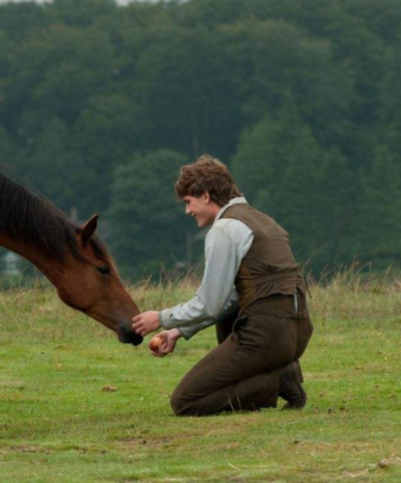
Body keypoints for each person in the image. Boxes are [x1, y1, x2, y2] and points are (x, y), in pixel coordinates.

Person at [132, 155, 313, 417]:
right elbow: (233, 299)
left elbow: (209, 303)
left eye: (188, 202)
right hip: (296, 333)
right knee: (226, 321)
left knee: (185, 402)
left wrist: (160, 319)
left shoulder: (225, 229)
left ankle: (278, 380)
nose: (187, 211)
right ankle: (280, 372)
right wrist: (179, 331)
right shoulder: (262, 220)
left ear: (205, 195)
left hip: (266, 336)